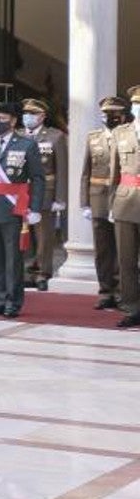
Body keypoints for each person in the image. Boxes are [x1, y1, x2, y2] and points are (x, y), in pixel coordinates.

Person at [0, 102, 45, 319]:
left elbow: (38, 179)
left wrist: (35, 208)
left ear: (13, 121)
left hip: (14, 208)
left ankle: (13, 302)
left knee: (13, 259)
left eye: (3, 119)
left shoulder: (27, 144)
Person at [18, 98, 67, 292]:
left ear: (42, 116)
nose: (27, 117)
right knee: (22, 233)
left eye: (32, 114)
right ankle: (26, 271)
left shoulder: (55, 136)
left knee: (43, 235)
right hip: (21, 190)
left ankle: (42, 272)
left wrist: (60, 198)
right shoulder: (18, 134)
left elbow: (62, 168)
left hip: (45, 190)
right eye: (25, 114)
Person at [83, 97, 124, 310]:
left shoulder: (129, 137)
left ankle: (121, 291)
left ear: (123, 116)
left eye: (114, 113)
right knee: (102, 249)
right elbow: (85, 172)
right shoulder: (93, 138)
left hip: (122, 199)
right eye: (106, 113)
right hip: (98, 198)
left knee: (122, 248)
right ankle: (105, 290)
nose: (109, 117)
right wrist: (84, 203)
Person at [111, 86, 140, 328]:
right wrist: (111, 203)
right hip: (124, 200)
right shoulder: (121, 133)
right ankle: (131, 307)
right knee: (126, 259)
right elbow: (114, 173)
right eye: (137, 104)